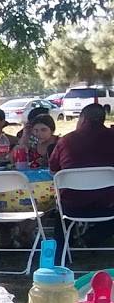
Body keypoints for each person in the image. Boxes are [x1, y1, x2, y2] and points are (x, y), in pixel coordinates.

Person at [50, 103, 114, 256]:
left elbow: (53, 170)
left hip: (72, 204)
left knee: (61, 207)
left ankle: (60, 251)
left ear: (83, 119)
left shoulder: (65, 141)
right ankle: (93, 236)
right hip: (108, 204)